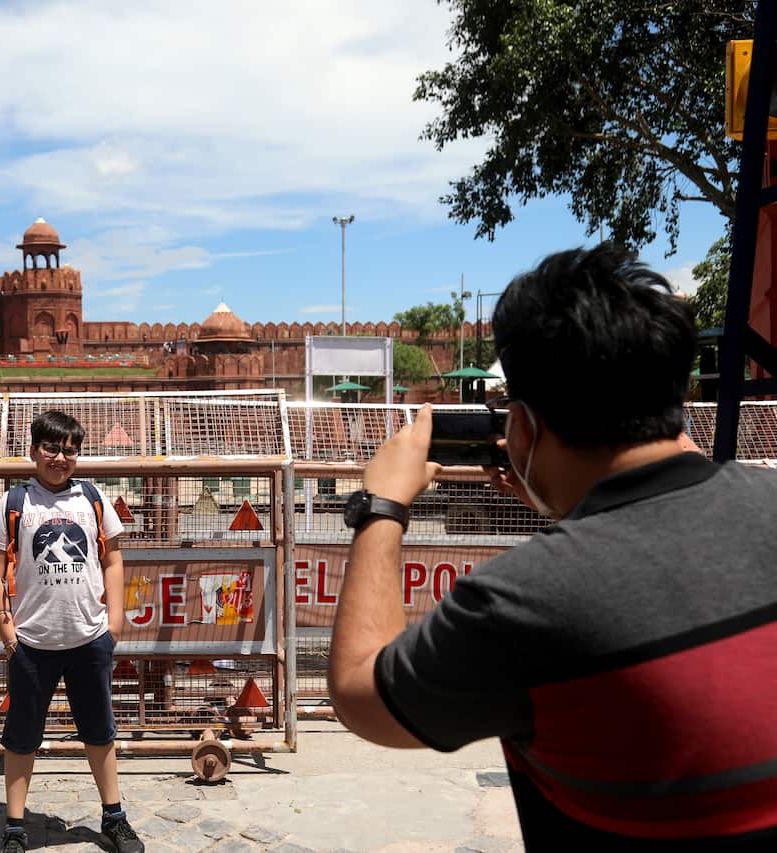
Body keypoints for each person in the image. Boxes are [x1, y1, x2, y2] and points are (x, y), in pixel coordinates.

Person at [327, 244, 777, 850]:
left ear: (522, 427)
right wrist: (572, 509)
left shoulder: (521, 602)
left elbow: (362, 695)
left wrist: (381, 507)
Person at [0, 410, 143, 853]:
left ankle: (114, 817)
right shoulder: (15, 503)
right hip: (31, 643)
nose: (59, 457)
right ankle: (15, 825)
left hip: (88, 637)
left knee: (99, 730)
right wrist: (5, 629)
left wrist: (115, 621)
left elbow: (113, 558)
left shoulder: (91, 498)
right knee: (22, 735)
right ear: (34, 450)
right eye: (51, 448)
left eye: (69, 450)